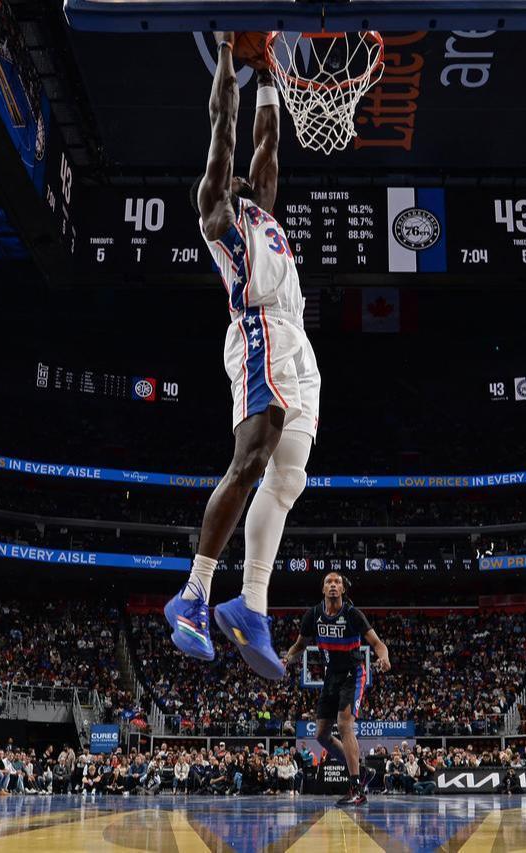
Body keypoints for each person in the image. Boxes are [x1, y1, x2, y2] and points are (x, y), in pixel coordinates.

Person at [163, 32, 320, 682]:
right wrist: (229, 55)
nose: (237, 173)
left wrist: (269, 75)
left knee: (288, 477)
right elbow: (224, 128)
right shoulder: (216, 215)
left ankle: (249, 604)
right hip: (257, 334)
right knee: (251, 459)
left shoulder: (265, 212)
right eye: (227, 173)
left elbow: (265, 141)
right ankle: (194, 592)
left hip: (299, 343)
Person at [280, 573, 389, 805]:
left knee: (344, 724)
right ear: (323, 589)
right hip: (331, 677)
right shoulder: (313, 615)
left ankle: (357, 788)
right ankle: (363, 771)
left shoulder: (352, 614)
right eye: (328, 582)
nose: (332, 585)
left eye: (337, 582)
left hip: (353, 673)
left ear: (342, 590)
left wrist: (384, 658)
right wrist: (287, 658)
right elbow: (300, 645)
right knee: (321, 735)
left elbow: (378, 644)